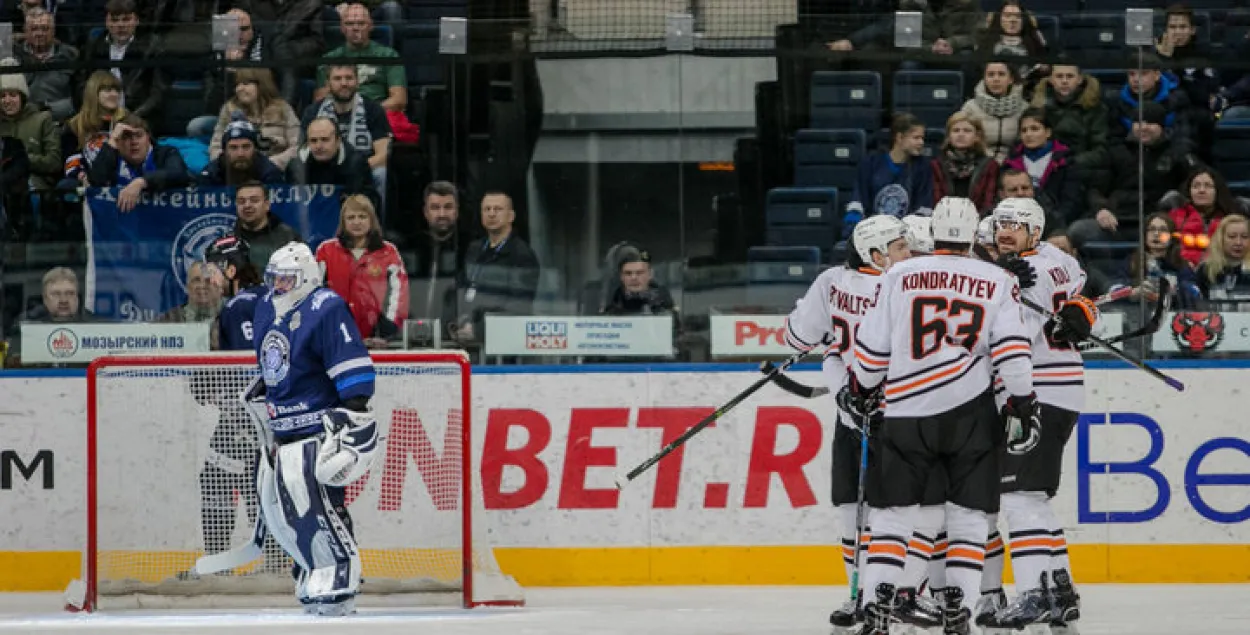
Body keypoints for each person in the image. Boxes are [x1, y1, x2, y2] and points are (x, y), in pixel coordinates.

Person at [842, 196, 1040, 635]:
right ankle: (963, 609)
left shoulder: (898, 274)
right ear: (974, 234)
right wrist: (1023, 401)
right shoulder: (998, 278)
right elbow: (1012, 351)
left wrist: (861, 389)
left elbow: (872, 350)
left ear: (933, 234)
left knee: (893, 515)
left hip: (907, 412)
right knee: (969, 517)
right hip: (971, 415)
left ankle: (879, 601)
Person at [783, 215, 916, 630]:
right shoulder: (905, 284)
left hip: (877, 414)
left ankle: (881, 595)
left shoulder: (830, 282)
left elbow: (795, 338)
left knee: (875, 513)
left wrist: (829, 348)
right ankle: (878, 597)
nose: (908, 254)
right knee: (864, 511)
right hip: (890, 413)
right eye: (899, 248)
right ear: (874, 255)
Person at [977, 197, 1093, 632]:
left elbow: (1010, 341)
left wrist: (1005, 285)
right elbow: (1081, 287)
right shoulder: (1058, 259)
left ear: (1035, 232)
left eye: (1016, 225)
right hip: (1064, 389)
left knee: (1019, 498)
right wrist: (1084, 311)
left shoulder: (1025, 274)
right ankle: (1060, 590)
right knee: (1036, 498)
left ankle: (1032, 595)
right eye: (1001, 223)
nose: (1005, 231)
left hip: (1038, 391)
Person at [246, 241, 380, 615]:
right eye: (273, 279)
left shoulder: (326, 307)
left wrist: (352, 417)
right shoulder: (264, 309)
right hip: (284, 428)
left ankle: (339, 571)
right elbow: (274, 369)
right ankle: (309, 567)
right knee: (288, 513)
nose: (278, 286)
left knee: (320, 506)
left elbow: (351, 369)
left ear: (305, 277)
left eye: (286, 280)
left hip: (318, 427)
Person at [181, 235, 285, 579]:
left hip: (249, 416)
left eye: (212, 271)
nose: (209, 280)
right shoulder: (269, 298)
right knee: (260, 485)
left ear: (229, 269)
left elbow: (247, 367)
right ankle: (275, 562)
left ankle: (219, 566)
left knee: (218, 481)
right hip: (269, 414)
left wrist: (223, 393)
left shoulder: (240, 305)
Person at [315, 194, 409, 347]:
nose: (356, 222)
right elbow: (313, 292)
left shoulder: (388, 252)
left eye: (362, 217)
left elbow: (399, 293)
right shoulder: (326, 251)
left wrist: (388, 330)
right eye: (351, 217)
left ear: (371, 220)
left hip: (377, 340)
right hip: (334, 338)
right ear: (343, 222)